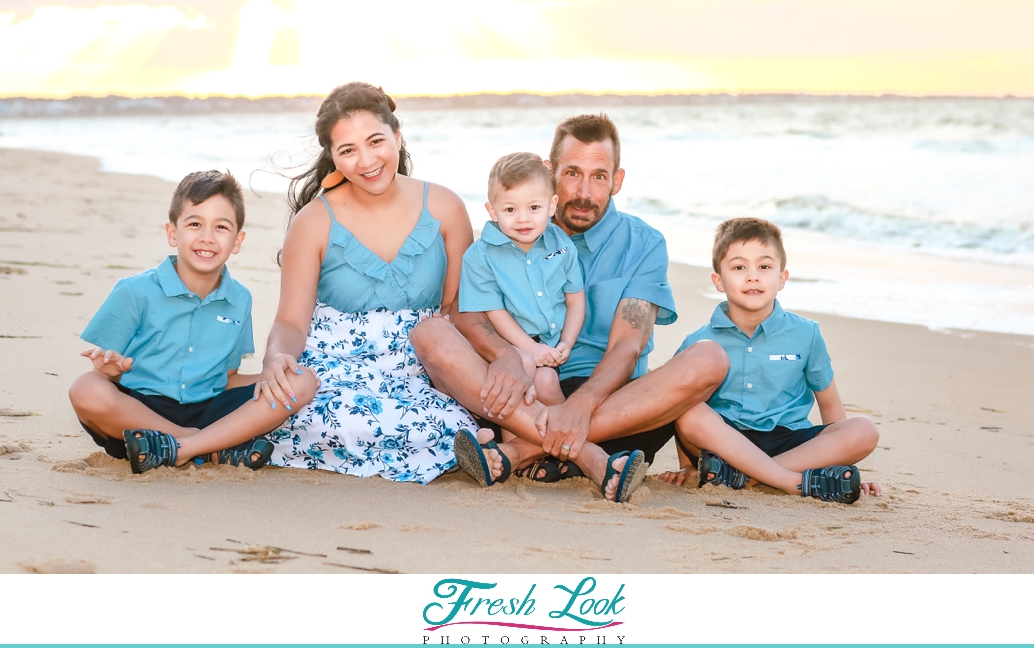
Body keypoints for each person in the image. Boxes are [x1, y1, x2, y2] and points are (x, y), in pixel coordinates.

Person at [411, 113, 728, 491]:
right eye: (573, 172)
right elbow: (468, 317)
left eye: (599, 176)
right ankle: (583, 455)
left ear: (617, 181)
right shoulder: (510, 230)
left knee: (710, 358)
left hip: (611, 402)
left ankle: (520, 453)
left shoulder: (644, 243)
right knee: (430, 332)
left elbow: (629, 345)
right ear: (550, 173)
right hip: (521, 390)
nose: (584, 191)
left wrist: (583, 404)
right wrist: (504, 355)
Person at [257, 82, 479, 483]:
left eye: (376, 141)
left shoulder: (446, 206)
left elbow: (458, 310)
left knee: (457, 425)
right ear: (333, 158)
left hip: (421, 368)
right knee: (327, 416)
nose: (366, 160)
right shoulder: (314, 221)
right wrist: (276, 357)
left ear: (397, 135)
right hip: (336, 370)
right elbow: (290, 321)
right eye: (348, 150)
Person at [69, 171, 318, 474]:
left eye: (221, 227)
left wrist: (268, 376)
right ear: (172, 232)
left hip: (208, 408)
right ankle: (206, 445)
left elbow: (227, 377)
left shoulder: (240, 299)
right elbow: (108, 369)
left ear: (237, 240)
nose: (207, 237)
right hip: (140, 412)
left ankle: (181, 448)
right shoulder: (134, 291)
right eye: (195, 224)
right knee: (85, 388)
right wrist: (111, 373)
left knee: (301, 380)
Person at [658, 217, 882, 503]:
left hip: (791, 443)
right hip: (724, 442)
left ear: (781, 278)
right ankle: (791, 481)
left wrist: (839, 464)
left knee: (864, 430)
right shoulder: (698, 343)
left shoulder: (806, 334)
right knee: (689, 413)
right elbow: (681, 405)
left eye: (764, 267)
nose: (753, 276)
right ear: (718, 281)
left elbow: (829, 403)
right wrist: (688, 466)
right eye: (739, 267)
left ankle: (747, 477)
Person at [459, 152, 585, 410]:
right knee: (523, 366)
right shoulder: (480, 255)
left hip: (548, 347)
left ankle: (556, 441)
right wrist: (529, 348)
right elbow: (494, 311)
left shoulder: (562, 246)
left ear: (552, 206)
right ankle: (513, 442)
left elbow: (575, 300)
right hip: (506, 345)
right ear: (492, 211)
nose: (523, 218)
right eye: (510, 209)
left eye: (534, 208)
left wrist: (566, 343)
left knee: (548, 382)